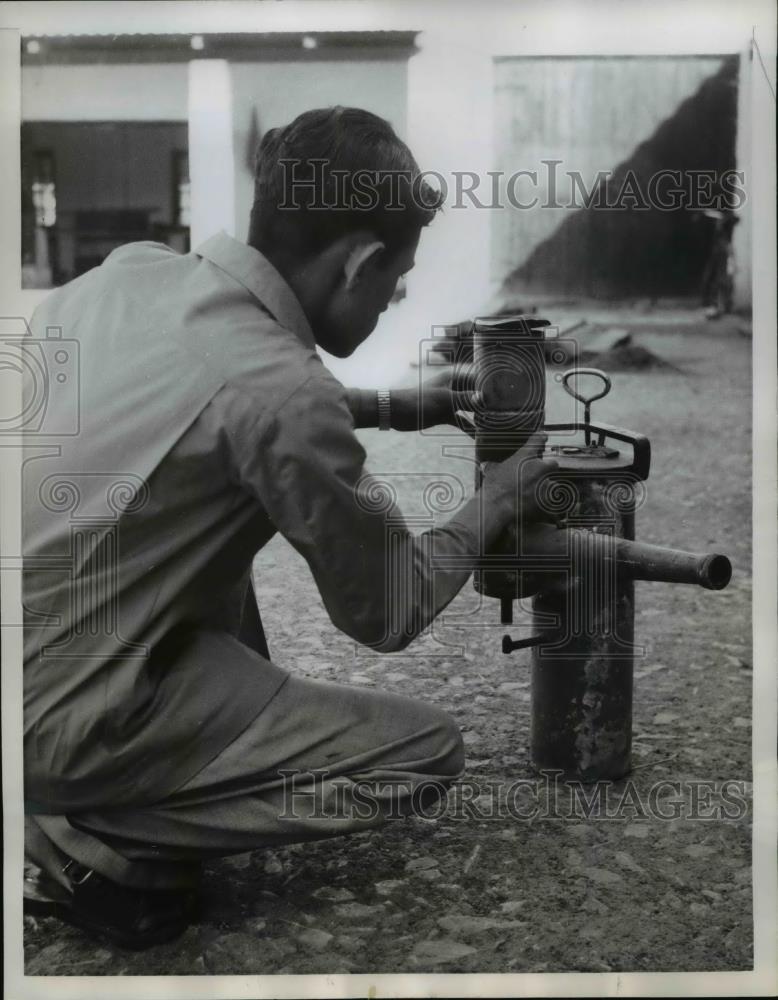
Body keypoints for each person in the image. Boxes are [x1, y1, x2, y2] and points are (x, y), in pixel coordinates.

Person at [23, 106, 556, 949]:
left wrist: (389, 407)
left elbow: (217, 398)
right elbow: (389, 608)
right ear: (361, 262)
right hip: (59, 717)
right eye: (398, 279)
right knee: (424, 752)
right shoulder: (284, 394)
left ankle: (87, 786)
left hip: (34, 649)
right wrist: (503, 497)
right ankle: (83, 834)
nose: (397, 298)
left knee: (214, 514)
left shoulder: (132, 274)